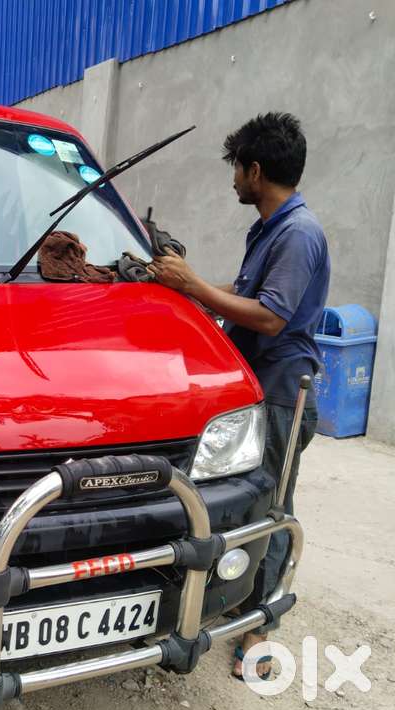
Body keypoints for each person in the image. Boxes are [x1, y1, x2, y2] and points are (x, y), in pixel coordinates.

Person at [148, 112, 330, 680]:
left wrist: (194, 287)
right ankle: (236, 595)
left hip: (280, 393)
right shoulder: (271, 229)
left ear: (255, 170)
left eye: (236, 170)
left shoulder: (298, 234)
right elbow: (244, 290)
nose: (232, 182)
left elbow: (271, 317)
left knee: (273, 508)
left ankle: (262, 621)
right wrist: (185, 289)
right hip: (256, 389)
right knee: (248, 501)